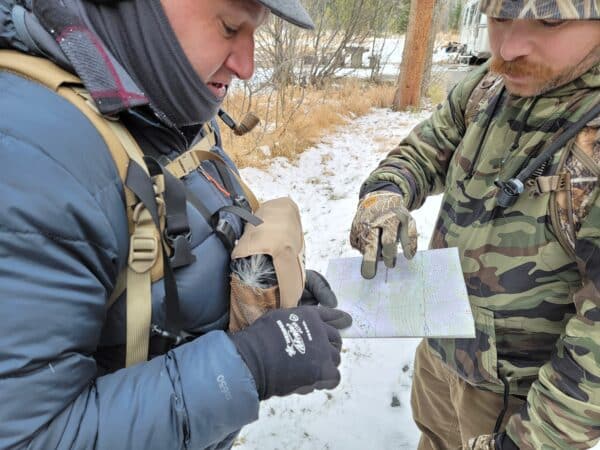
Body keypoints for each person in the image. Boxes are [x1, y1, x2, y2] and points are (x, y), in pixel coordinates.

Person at [0, 0, 350, 449]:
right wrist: (248, 365)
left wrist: (266, 292)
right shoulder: (31, 156)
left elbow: (174, 251)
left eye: (254, 33)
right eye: (229, 27)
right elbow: (31, 436)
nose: (247, 65)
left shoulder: (156, 102)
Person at [350, 1, 600, 449]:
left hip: (521, 404)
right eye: (500, 17)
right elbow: (425, 150)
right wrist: (386, 194)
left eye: (550, 21)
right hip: (443, 352)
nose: (507, 47)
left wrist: (529, 441)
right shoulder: (489, 85)